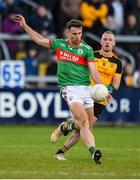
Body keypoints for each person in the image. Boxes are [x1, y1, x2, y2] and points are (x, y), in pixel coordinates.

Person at [11, 14, 102, 164]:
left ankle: (63, 142)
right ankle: (94, 153)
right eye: (74, 33)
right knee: (84, 121)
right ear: (68, 33)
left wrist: (102, 88)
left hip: (86, 90)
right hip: (69, 89)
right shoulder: (60, 44)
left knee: (85, 128)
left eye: (80, 33)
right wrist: (24, 25)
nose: (77, 36)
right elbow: (40, 40)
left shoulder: (87, 49)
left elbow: (93, 71)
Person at [51, 31, 123, 161]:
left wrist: (108, 90)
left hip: (101, 98)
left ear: (114, 43)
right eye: (105, 39)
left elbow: (116, 83)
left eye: (110, 40)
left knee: (83, 128)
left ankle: (66, 129)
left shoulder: (118, 63)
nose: (107, 42)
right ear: (101, 42)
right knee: (84, 126)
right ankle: (62, 150)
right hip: (86, 93)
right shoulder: (91, 54)